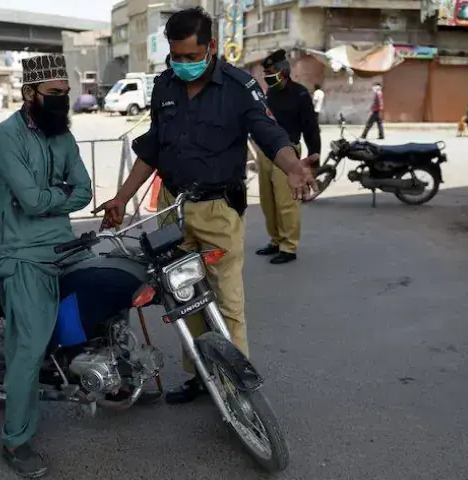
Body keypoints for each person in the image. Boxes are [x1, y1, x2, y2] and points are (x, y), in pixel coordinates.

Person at [99, 7, 316, 404]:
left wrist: (292, 167)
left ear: (211, 47)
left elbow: (269, 132)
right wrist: (122, 197)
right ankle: (201, 375)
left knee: (226, 300)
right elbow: (152, 148)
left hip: (217, 210)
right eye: (175, 56)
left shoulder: (237, 87)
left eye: (190, 56)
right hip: (172, 208)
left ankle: (236, 384)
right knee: (185, 297)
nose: (182, 64)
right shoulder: (165, 86)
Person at [0, 53, 93, 477]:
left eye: (66, 93)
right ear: (30, 93)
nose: (62, 100)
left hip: (64, 244)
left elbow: (83, 190)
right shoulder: (5, 138)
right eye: (54, 94)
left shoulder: (61, 135)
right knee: (28, 351)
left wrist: (49, 197)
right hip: (22, 253)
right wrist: (56, 195)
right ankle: (15, 442)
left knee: (107, 299)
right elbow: (29, 202)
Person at [255, 49, 320, 265]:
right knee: (268, 201)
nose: (266, 76)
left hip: (289, 153)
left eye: (269, 72)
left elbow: (311, 127)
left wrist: (314, 156)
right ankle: (275, 240)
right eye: (265, 72)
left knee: (286, 203)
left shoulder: (300, 94)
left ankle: (289, 246)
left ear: (282, 72)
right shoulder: (270, 94)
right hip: (266, 153)